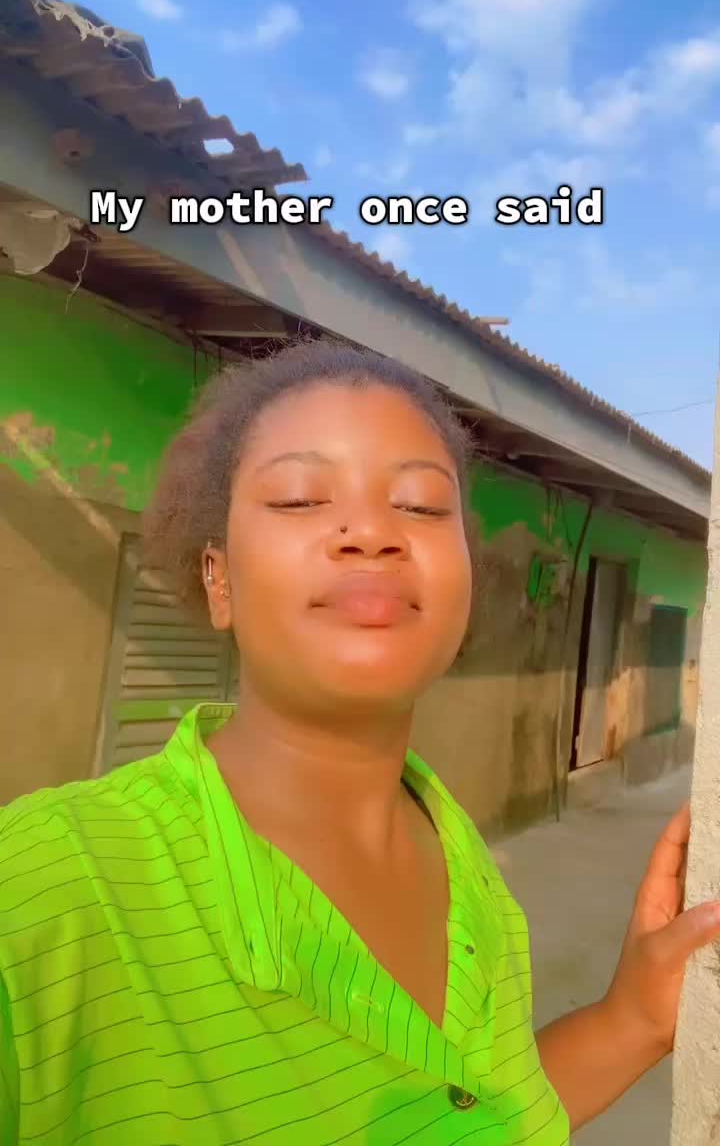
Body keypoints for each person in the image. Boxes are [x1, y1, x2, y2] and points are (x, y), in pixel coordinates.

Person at [0, 339, 717, 1146]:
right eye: (300, 498)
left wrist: (631, 1019)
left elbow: (473, 1116)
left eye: (421, 506)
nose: (372, 531)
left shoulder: (470, 876)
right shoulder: (43, 891)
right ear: (218, 579)